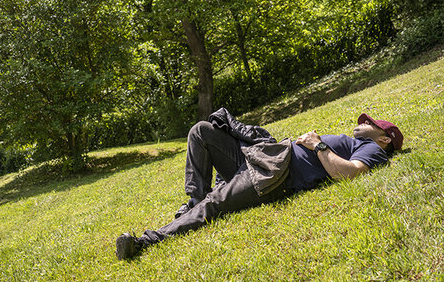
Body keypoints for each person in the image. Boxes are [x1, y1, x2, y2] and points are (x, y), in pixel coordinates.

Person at [115, 109, 403, 260]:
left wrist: (317, 146)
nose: (364, 121)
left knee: (216, 205)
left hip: (275, 173)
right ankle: (193, 203)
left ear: (385, 138)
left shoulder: (373, 149)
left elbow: (350, 174)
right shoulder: (361, 141)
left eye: (371, 123)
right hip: (266, 156)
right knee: (201, 131)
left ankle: (144, 242)